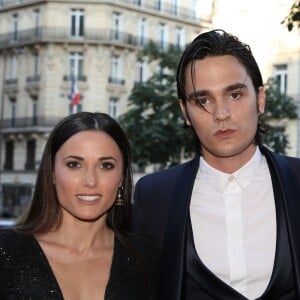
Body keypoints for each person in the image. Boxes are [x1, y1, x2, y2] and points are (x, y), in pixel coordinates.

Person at [132, 29, 300, 300]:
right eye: (203, 100)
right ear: (185, 112)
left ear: (260, 99)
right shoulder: (152, 197)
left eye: (234, 95)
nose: (221, 114)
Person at [0, 112, 159, 300]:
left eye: (106, 165)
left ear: (122, 178)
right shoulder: (6, 251)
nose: (90, 181)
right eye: (74, 164)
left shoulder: (143, 255)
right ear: (51, 172)